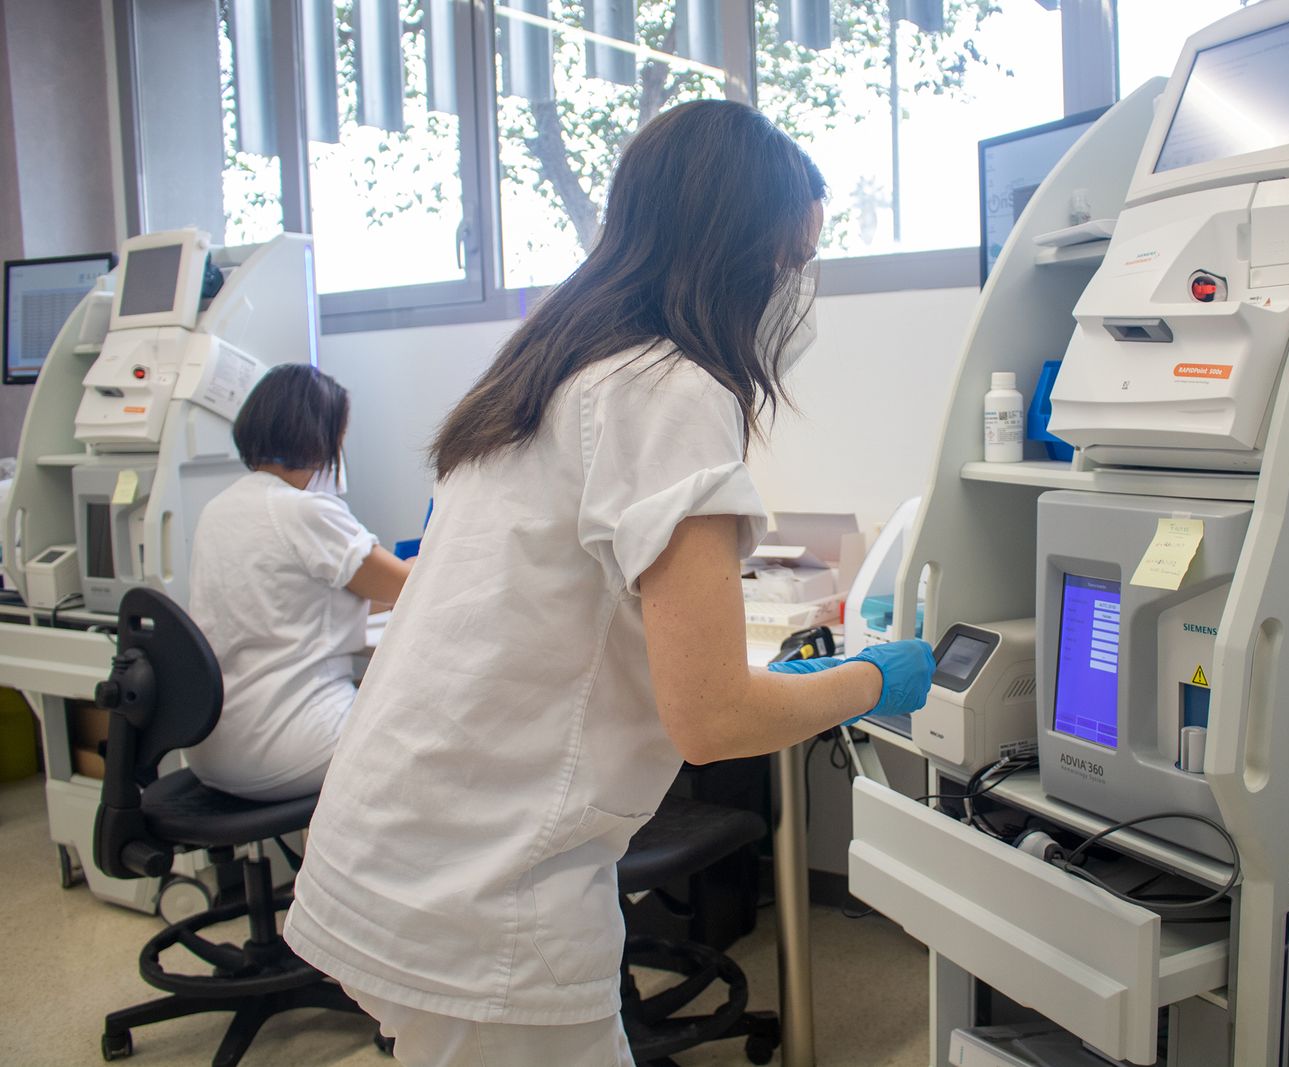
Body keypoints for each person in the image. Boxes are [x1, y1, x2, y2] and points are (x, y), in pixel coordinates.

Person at [283, 99, 935, 1066]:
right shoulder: (672, 388)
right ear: (737, 252)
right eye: (794, 260)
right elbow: (712, 719)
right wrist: (884, 677)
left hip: (388, 845)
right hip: (483, 895)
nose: (798, 290)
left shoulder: (544, 372)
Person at [184, 363, 412, 802]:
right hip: (289, 742)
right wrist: (433, 559)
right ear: (319, 437)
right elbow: (404, 587)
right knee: (440, 728)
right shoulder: (305, 511)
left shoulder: (220, 509)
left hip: (212, 745)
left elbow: (304, 602)